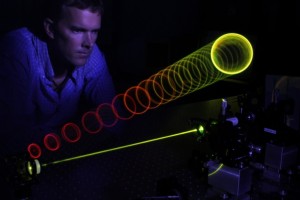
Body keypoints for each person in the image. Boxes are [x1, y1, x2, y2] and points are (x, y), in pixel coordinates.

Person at [0, 0, 124, 199]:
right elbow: (8, 138)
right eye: (77, 30)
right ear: (50, 28)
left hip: (59, 168)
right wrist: (77, 135)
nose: (89, 43)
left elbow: (115, 121)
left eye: (95, 31)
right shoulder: (16, 51)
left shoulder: (91, 55)